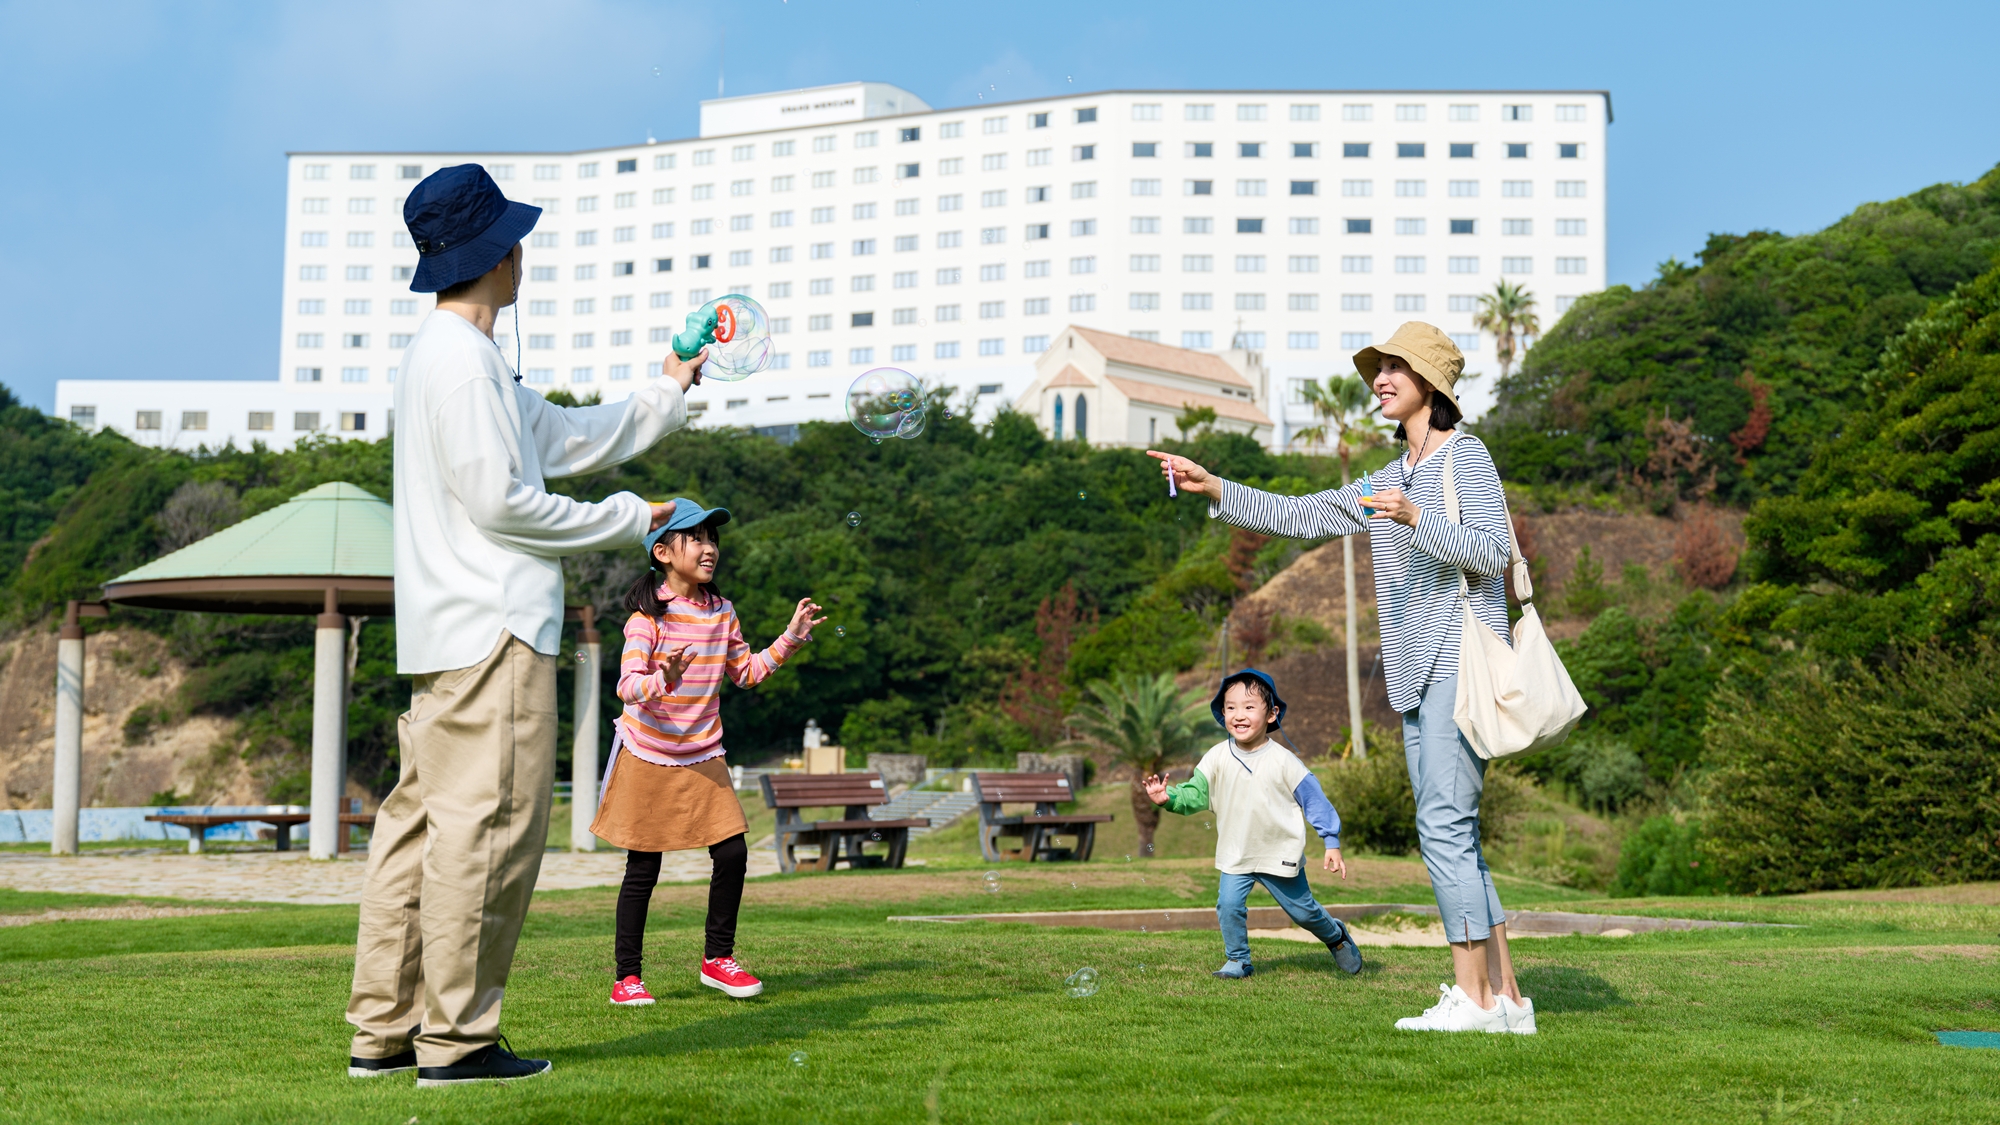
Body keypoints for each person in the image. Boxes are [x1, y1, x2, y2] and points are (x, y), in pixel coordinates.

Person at [346, 165, 710, 1087]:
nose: (522, 252)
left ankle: (383, 1032)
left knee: (421, 829)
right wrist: (637, 518)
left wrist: (667, 390)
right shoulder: (463, 365)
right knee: (489, 833)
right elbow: (505, 506)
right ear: (500, 253)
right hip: (492, 630)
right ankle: (458, 1041)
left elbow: (569, 436)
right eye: (516, 239)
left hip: (447, 632)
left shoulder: (453, 357)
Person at [1148, 321, 1536, 1035]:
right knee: (1458, 833)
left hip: (1461, 660)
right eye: (1378, 368)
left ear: (1430, 383)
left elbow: (1489, 553)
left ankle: (1473, 1000)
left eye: (1395, 367)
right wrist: (1216, 487)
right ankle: (1506, 1000)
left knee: (1443, 829)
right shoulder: (1387, 476)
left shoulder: (1466, 458)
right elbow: (1300, 515)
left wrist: (1417, 515)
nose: (1380, 379)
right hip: (1417, 676)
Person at [593, 502, 823, 1007]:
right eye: (695, 538)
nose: (709, 547)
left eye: (711, 538)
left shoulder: (722, 611)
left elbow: (746, 673)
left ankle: (717, 959)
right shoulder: (645, 618)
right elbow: (627, 686)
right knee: (643, 867)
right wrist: (664, 680)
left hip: (703, 751)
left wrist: (790, 640)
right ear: (662, 552)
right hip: (648, 750)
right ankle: (626, 977)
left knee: (733, 853)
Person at [1144, 669, 1364, 980]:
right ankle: (1239, 960)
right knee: (1229, 905)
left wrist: (1331, 842)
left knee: (1303, 912)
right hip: (1237, 852)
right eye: (1230, 707)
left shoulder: (1285, 761)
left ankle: (1335, 936)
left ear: (1272, 714)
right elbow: (1195, 794)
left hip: (1279, 851)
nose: (1239, 715)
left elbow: (1314, 802)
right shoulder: (1216, 757)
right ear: (1222, 714)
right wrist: (1169, 798)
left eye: (1249, 707)